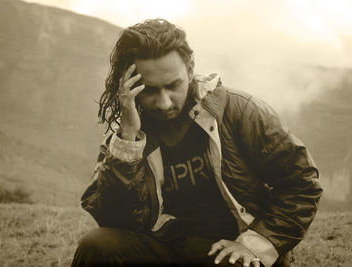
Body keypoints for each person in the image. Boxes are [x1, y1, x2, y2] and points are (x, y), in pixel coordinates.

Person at [71, 19, 322, 267]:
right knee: (96, 246)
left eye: (173, 86)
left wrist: (254, 243)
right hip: (168, 246)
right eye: (149, 90)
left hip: (233, 250)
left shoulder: (240, 111)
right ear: (132, 86)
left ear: (190, 69)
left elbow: (301, 183)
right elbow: (114, 219)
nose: (164, 102)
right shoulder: (128, 135)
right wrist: (128, 138)